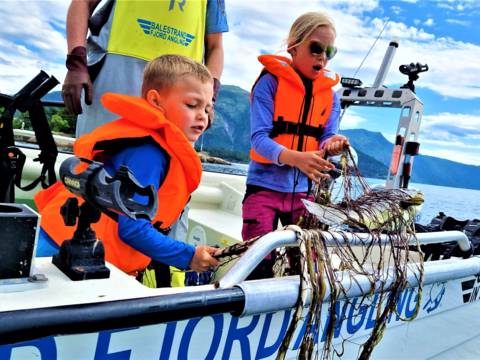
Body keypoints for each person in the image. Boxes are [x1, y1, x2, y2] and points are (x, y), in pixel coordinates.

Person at [35, 55, 219, 282]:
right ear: (155, 101)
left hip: (63, 245)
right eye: (192, 105)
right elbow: (132, 230)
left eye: (208, 108)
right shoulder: (149, 154)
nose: (202, 115)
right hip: (62, 255)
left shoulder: (151, 146)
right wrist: (189, 256)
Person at [242, 12, 349, 279]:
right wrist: (296, 157)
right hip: (263, 190)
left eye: (329, 52)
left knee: (307, 267)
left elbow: (327, 136)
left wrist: (334, 144)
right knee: (258, 265)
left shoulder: (330, 97)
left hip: (304, 195)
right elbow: (259, 138)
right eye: (315, 48)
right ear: (294, 47)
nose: (322, 57)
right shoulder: (269, 83)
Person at [62, 0, 228, 137]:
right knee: (96, 160)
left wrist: (209, 99)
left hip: (182, 90)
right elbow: (83, 3)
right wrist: (76, 64)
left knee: (164, 167)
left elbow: (215, 46)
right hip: (115, 72)